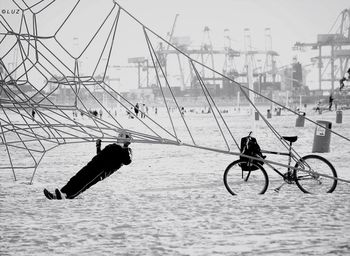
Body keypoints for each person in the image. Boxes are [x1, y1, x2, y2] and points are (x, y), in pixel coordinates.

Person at [43, 131, 133, 200]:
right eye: (119, 135)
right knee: (76, 178)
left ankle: (67, 196)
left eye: (122, 136)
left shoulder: (126, 151)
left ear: (127, 140)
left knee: (84, 182)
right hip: (93, 164)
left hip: (102, 170)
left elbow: (127, 161)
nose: (119, 136)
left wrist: (124, 147)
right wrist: (98, 145)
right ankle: (60, 193)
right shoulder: (111, 146)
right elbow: (100, 154)